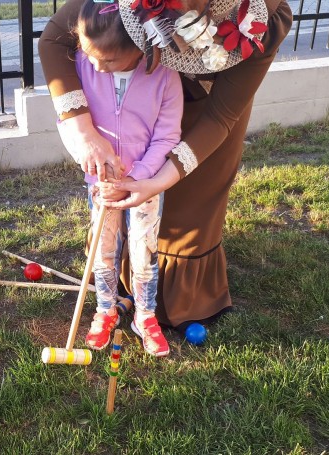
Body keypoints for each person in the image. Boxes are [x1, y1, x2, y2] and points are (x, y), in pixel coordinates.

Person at [40, 0, 292, 334]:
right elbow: (54, 40)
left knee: (190, 206)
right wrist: (83, 130)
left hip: (208, 115)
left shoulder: (258, 23)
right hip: (137, 113)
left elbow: (220, 117)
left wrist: (159, 179)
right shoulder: (111, 19)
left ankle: (167, 301)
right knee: (129, 220)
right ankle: (119, 287)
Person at [60, 1, 183, 356]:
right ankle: (105, 309)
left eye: (109, 61)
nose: (96, 66)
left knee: (144, 251)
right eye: (89, 55)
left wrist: (141, 176)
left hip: (146, 183)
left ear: (138, 47)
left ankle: (144, 315)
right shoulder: (84, 64)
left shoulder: (164, 76)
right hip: (100, 183)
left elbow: (167, 136)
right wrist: (92, 162)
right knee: (103, 248)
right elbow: (68, 121)